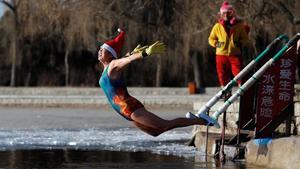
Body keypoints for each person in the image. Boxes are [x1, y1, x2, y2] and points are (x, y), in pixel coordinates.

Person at [98, 29, 214, 137]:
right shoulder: (109, 68)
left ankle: (201, 120)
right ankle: (194, 119)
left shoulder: (113, 65)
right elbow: (125, 58)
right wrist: (131, 53)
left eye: (102, 50)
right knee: (155, 132)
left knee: (165, 125)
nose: (99, 51)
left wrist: (145, 52)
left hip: (130, 107)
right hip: (125, 112)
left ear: (110, 54)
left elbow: (128, 60)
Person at [208, 1, 250, 89]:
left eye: (228, 13)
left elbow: (245, 39)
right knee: (222, 73)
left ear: (232, 13)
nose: (226, 15)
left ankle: (241, 86)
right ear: (221, 14)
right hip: (221, 54)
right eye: (224, 13)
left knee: (238, 71)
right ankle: (225, 89)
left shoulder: (239, 26)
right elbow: (211, 39)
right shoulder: (217, 26)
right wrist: (216, 44)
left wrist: (240, 43)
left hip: (235, 53)